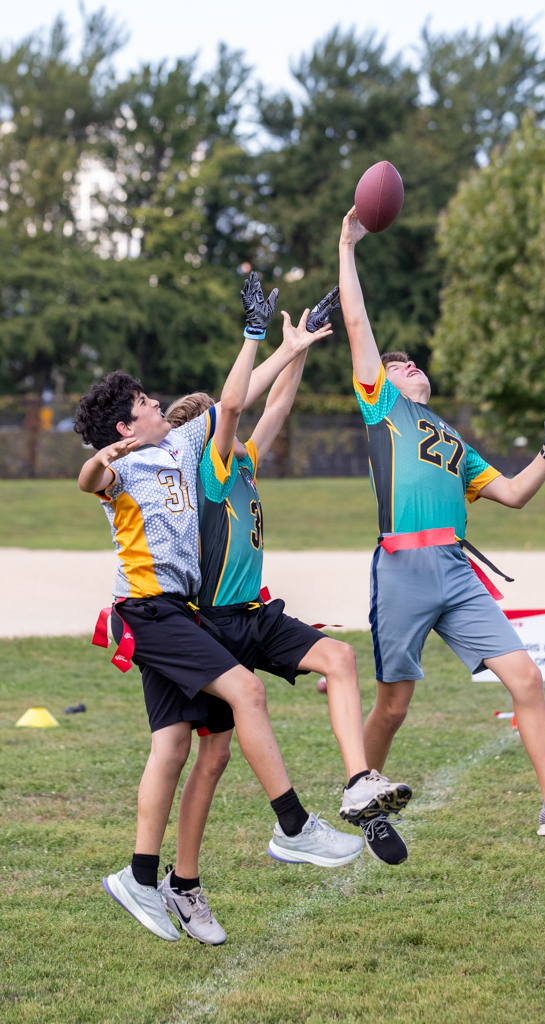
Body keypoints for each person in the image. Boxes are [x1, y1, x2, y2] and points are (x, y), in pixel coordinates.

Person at [75, 289, 363, 946]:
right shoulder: (122, 468)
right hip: (148, 613)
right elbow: (89, 483)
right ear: (126, 427)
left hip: (175, 613)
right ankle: (292, 825)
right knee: (247, 690)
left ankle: (143, 877)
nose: (156, 404)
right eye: (146, 403)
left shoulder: (179, 445)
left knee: (174, 746)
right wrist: (254, 329)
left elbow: (247, 396)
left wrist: (290, 347)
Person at [338, 205, 545, 838]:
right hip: (404, 566)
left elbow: (515, 494)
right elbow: (357, 322)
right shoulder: (381, 407)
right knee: (394, 705)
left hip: (456, 569)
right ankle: (362, 794)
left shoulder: (453, 439)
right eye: (400, 362)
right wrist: (347, 248)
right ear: (380, 379)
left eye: (412, 362)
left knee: (524, 675)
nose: (409, 365)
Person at [165, 281, 413, 868]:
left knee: (341, 658)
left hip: (254, 613)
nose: (235, 414)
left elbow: (274, 406)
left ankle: (358, 780)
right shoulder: (210, 467)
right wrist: (268, 347)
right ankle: (201, 864)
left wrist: (297, 348)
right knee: (212, 756)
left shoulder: (241, 461)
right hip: (216, 627)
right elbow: (232, 406)